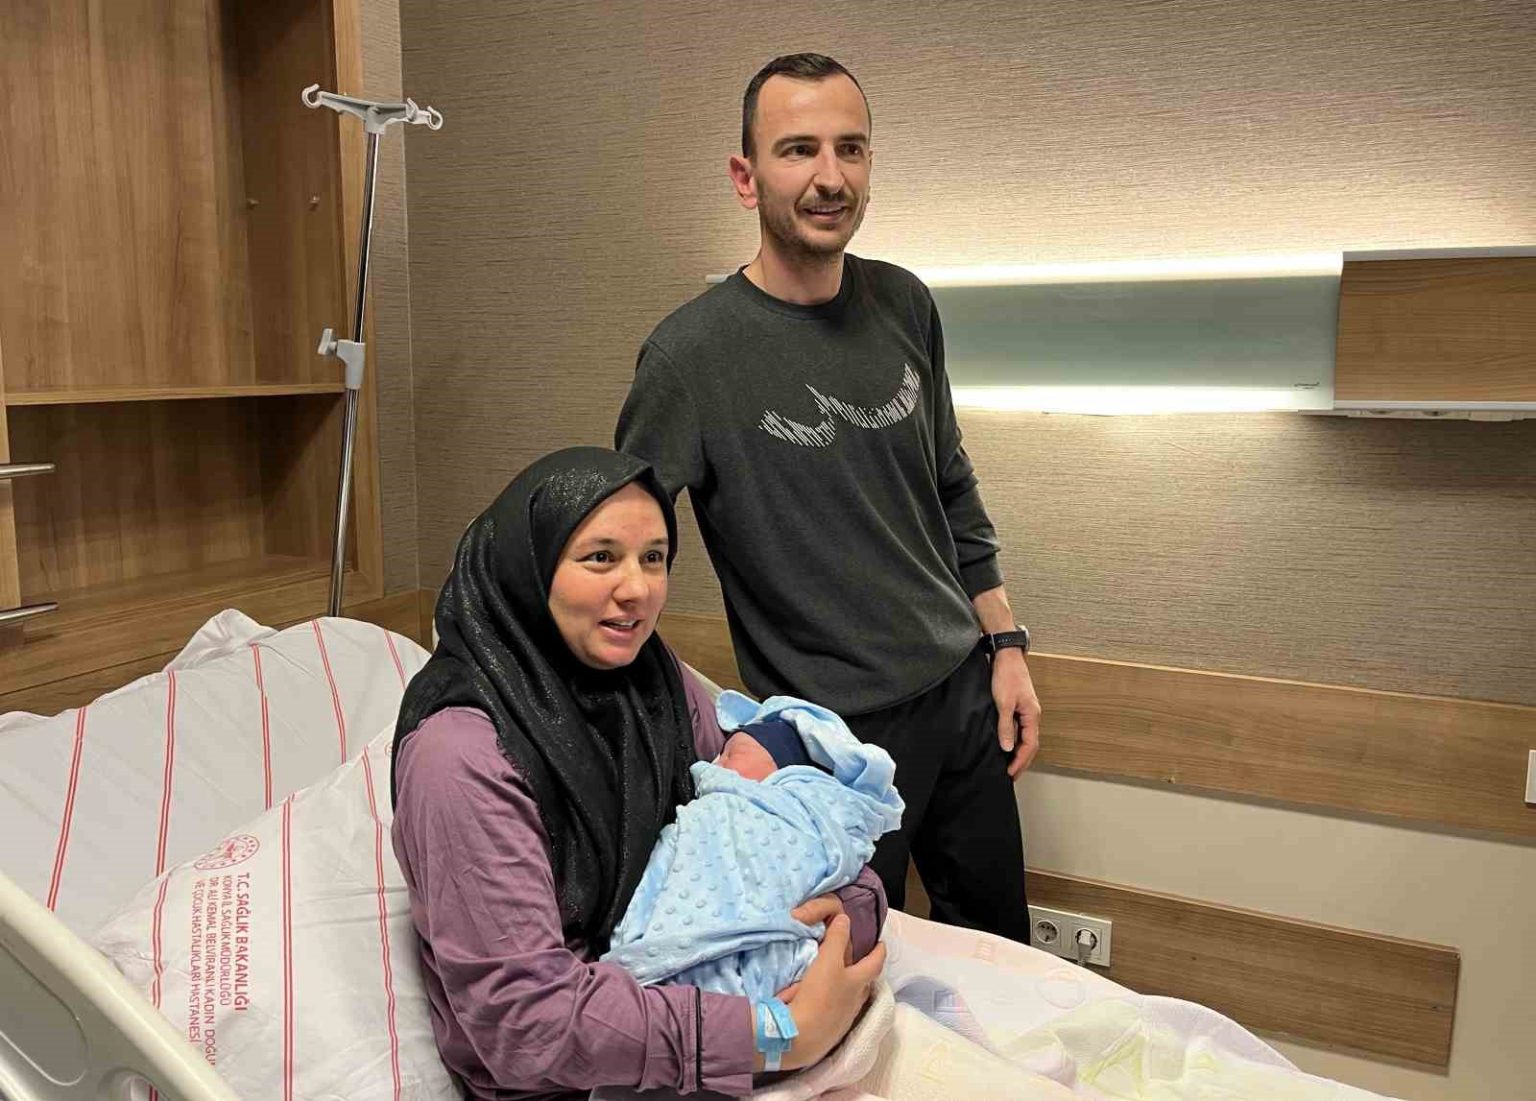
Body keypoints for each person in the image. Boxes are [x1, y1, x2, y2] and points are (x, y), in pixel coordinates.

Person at [615, 53, 1041, 944]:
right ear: (746, 177)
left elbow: (950, 480)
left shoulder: (905, 303)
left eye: (851, 149)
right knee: (852, 970)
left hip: (961, 692)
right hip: (828, 739)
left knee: (1000, 950)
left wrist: (1004, 645)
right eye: (798, 149)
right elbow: (627, 550)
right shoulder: (690, 357)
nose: (830, 176)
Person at [390, 447, 887, 1099]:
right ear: (527, 568)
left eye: (654, 557)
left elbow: (757, 813)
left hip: (713, 1013)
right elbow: (527, 1026)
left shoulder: (652, 680)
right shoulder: (461, 756)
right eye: (601, 557)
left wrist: (846, 914)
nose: (638, 589)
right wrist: (776, 1032)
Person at [603, 706, 904, 1003]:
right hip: (689, 992)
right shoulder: (714, 804)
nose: (713, 764)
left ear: (788, 770)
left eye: (731, 754)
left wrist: (849, 911)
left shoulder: (807, 812)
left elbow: (853, 876)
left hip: (789, 950)